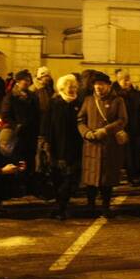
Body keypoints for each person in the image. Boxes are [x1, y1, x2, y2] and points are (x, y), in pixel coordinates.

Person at [78, 71, 128, 214]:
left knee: (108, 178)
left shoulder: (118, 101)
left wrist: (105, 130)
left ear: (108, 85)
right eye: (96, 85)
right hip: (91, 144)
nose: (98, 87)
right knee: (90, 177)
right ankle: (90, 205)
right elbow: (80, 119)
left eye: (101, 84)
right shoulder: (88, 100)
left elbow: (122, 120)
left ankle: (106, 206)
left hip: (109, 145)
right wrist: (86, 132)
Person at [41, 74, 83, 219]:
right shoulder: (55, 103)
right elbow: (46, 124)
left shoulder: (79, 102)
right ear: (62, 87)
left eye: (74, 86)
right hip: (57, 146)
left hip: (75, 146)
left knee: (71, 178)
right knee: (58, 177)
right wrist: (46, 143)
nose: (72, 89)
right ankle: (61, 207)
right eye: (70, 86)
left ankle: (62, 206)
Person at [1, 70, 40, 181]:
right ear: (18, 82)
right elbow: (5, 115)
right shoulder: (11, 97)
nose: (27, 83)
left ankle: (30, 180)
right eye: (25, 80)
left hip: (31, 133)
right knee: (18, 158)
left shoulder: (33, 96)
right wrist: (16, 126)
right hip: (17, 134)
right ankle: (18, 181)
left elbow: (37, 114)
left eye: (29, 80)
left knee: (31, 157)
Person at [112, 71, 140, 185]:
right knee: (119, 155)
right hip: (120, 128)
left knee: (133, 153)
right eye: (123, 79)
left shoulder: (135, 93)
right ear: (118, 80)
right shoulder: (114, 94)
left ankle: (133, 176)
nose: (126, 82)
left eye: (128, 79)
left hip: (134, 127)